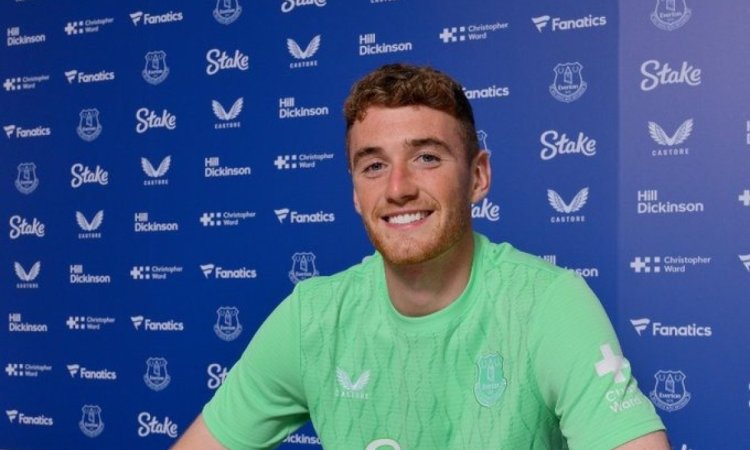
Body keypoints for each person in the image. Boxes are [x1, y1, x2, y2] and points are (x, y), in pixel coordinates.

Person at [173, 63, 669, 450]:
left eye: (426, 157)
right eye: (373, 165)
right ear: (355, 193)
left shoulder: (549, 305)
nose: (398, 188)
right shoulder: (313, 318)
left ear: (478, 177)